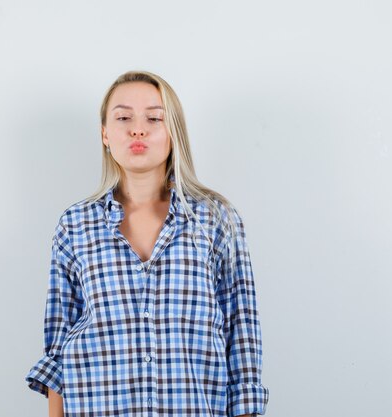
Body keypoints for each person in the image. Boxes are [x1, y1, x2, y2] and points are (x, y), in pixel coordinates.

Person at [25, 70, 269, 417]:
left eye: (154, 118)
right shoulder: (75, 225)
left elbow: (241, 336)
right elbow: (57, 348)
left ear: (174, 132)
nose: (137, 129)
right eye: (123, 117)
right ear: (105, 134)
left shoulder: (216, 220)